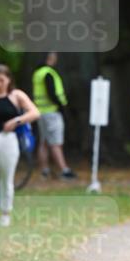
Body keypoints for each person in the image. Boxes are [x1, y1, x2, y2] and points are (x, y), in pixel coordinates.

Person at [0, 64, 39, 227]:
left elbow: (34, 112)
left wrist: (16, 121)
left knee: (6, 178)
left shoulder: (16, 95)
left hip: (8, 140)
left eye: (1, 80)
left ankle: (5, 212)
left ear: (8, 80)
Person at [32, 52, 77, 180]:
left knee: (44, 142)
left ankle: (44, 170)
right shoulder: (48, 73)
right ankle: (64, 170)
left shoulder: (37, 73)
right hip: (52, 111)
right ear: (51, 58)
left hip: (41, 111)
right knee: (56, 142)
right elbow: (52, 92)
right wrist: (61, 106)